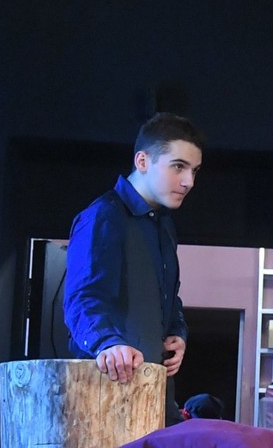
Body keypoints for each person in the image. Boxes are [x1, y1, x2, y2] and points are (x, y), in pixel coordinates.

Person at [64, 112, 202, 425]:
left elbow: (169, 299)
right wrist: (106, 342)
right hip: (106, 396)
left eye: (194, 170)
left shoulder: (164, 226)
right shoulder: (103, 216)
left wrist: (177, 333)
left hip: (154, 390)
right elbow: (82, 299)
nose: (189, 181)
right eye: (178, 166)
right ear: (142, 161)